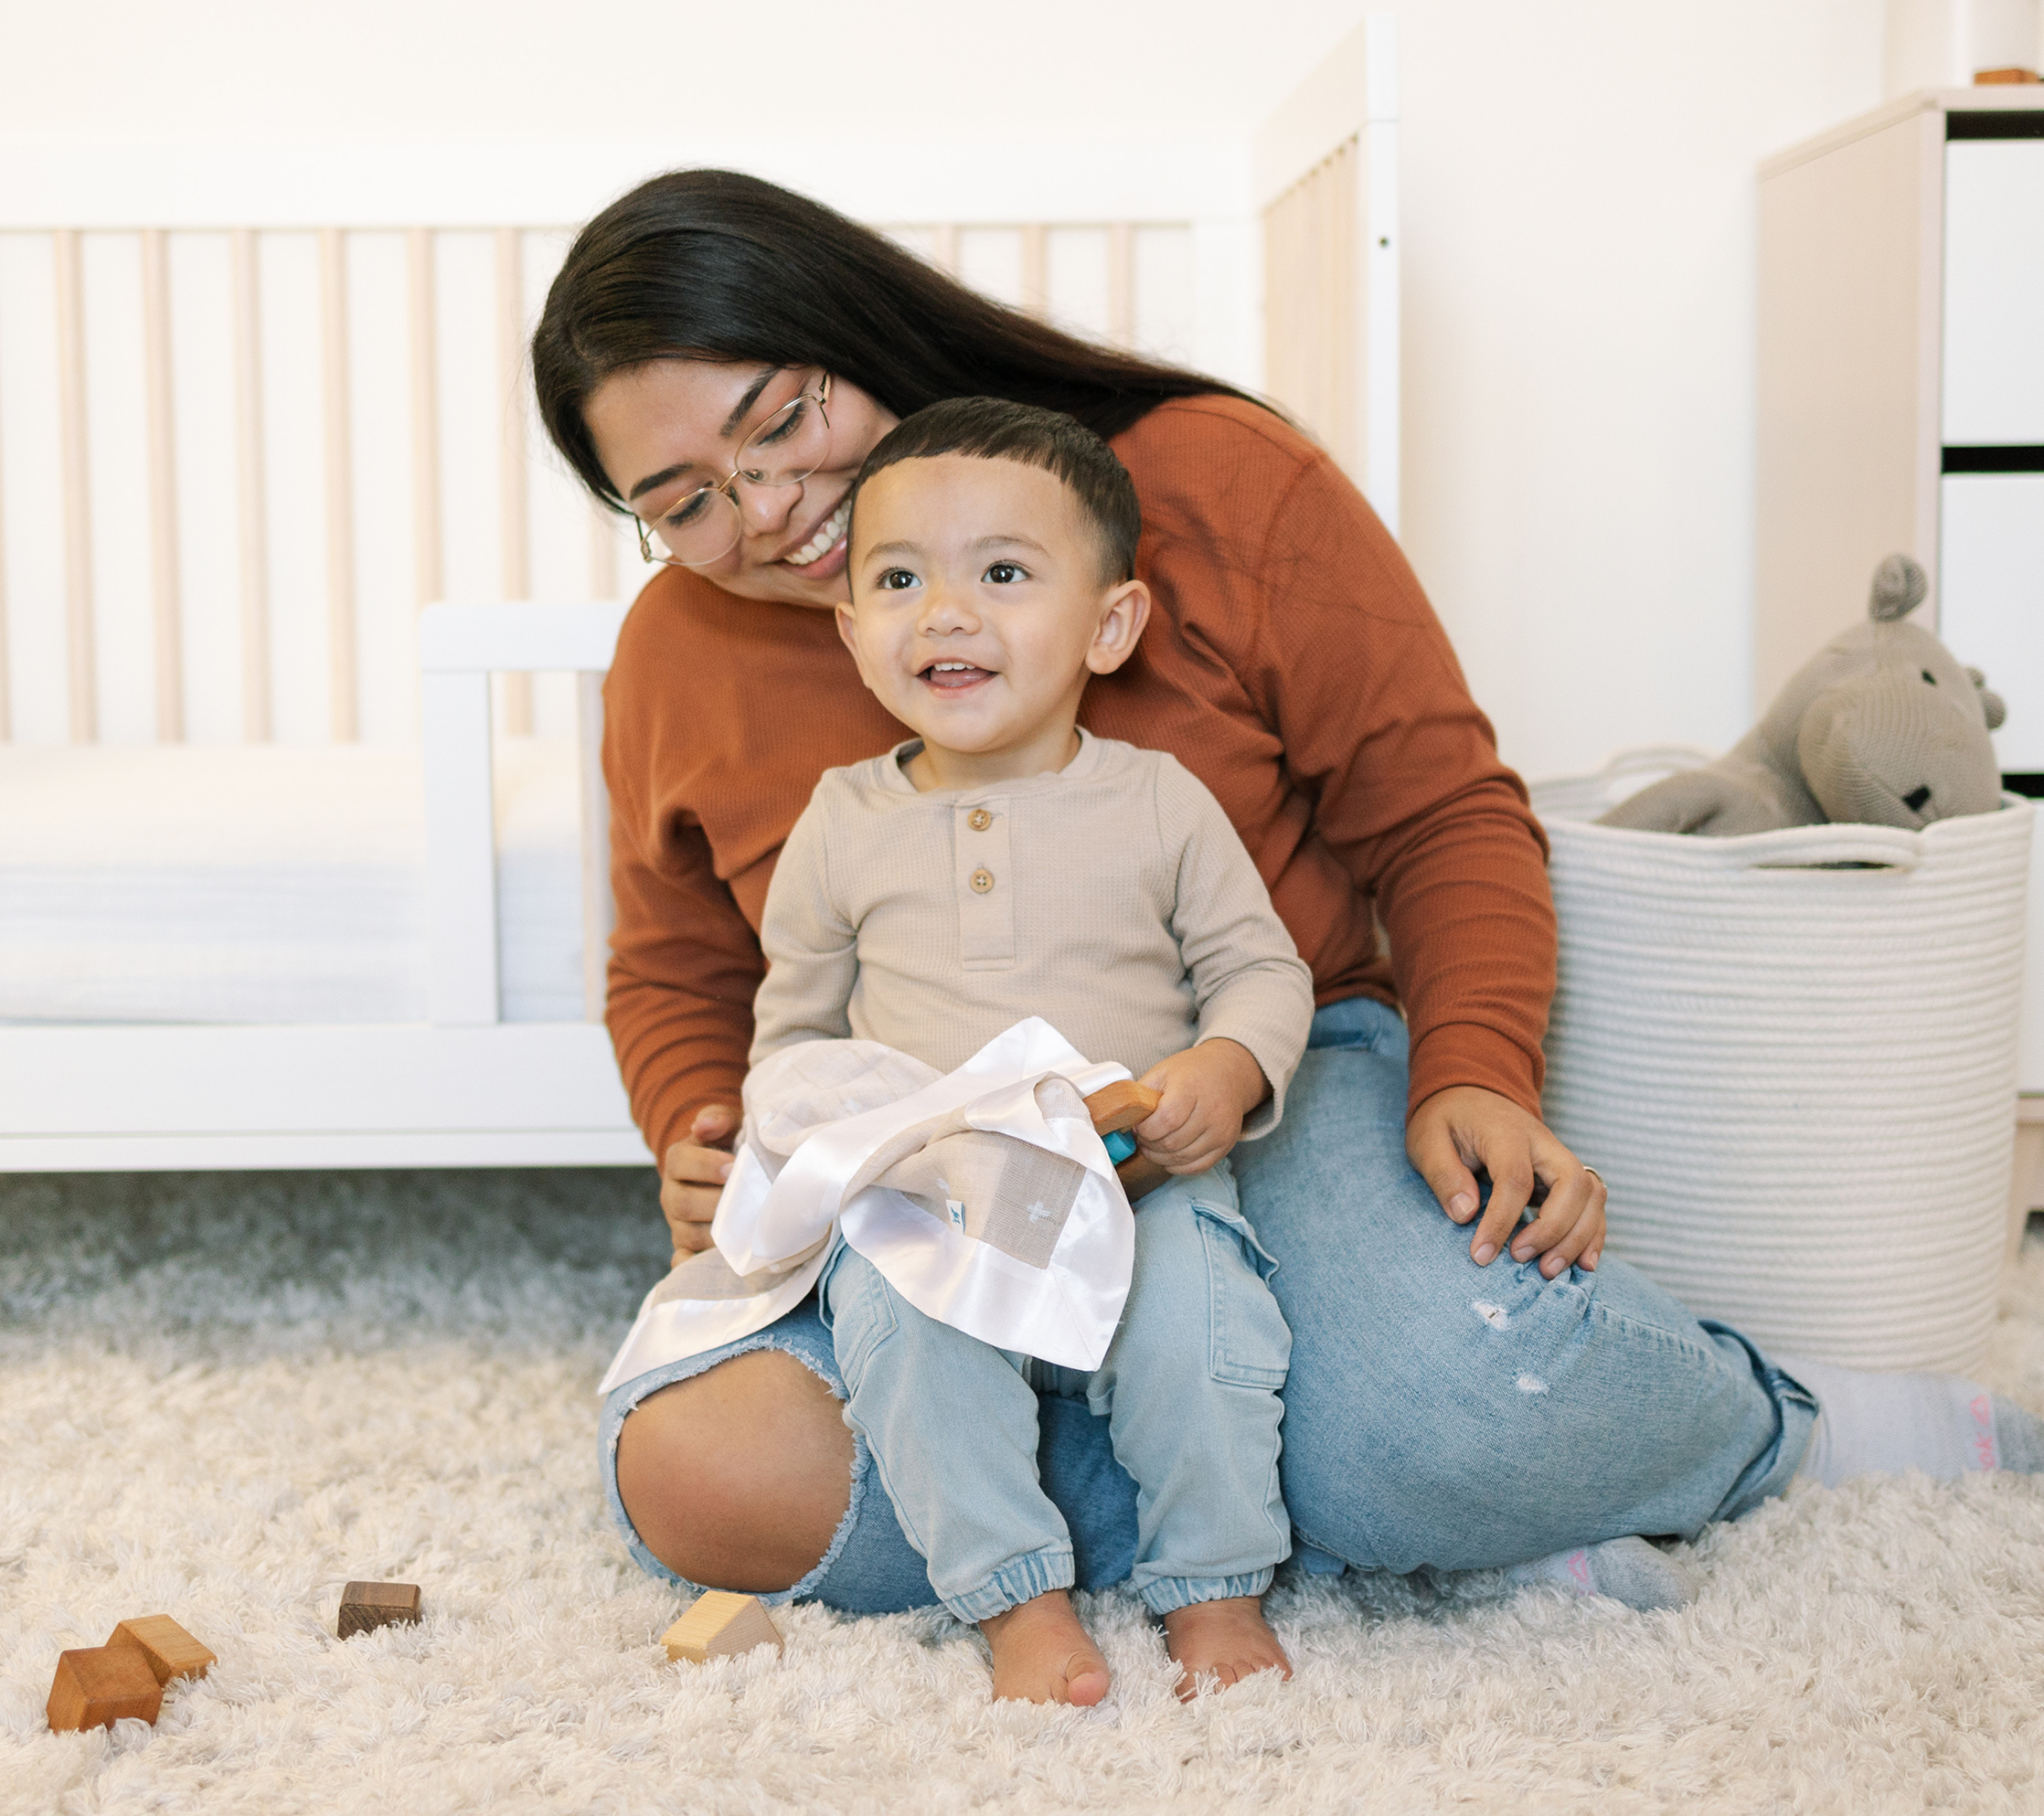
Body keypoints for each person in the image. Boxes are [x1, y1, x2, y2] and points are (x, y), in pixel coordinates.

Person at [531, 169, 2044, 1637]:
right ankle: (1320, 1493)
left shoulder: (1206, 481)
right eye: (688, 500)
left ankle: (1763, 1424)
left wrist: (1475, 1070)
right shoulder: (682, 646)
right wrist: (697, 1128)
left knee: (1466, 1396)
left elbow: (1443, 816)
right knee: (697, 1477)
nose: (774, 506)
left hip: (1264, 1081)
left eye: (782, 418)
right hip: (921, 1166)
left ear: (852, 322)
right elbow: (672, 964)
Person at [751, 396, 1314, 1703]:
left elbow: (1258, 972)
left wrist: (1221, 1077)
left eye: (1001, 573)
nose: (945, 613)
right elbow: (794, 1039)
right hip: (944, 1201)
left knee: (1208, 1332)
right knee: (899, 1331)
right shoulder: (843, 822)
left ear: (1110, 623)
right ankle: (1014, 1600)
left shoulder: (1157, 801)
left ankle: (1214, 1588)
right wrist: (813, 1157)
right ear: (853, 632)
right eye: (899, 580)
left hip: (1144, 1182)